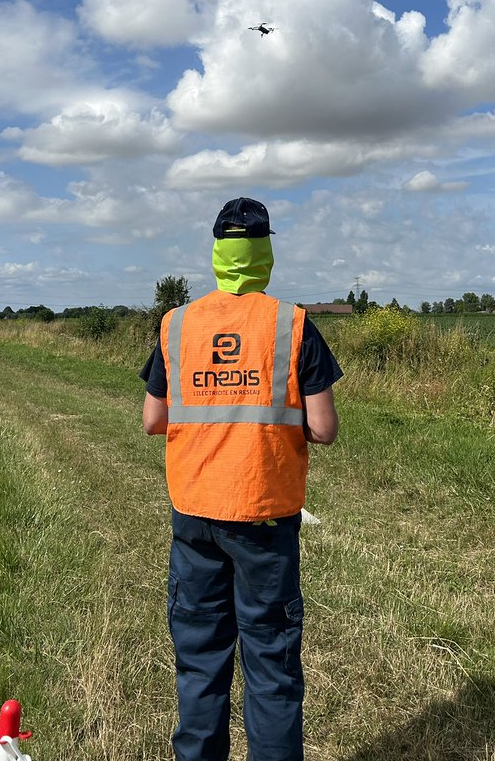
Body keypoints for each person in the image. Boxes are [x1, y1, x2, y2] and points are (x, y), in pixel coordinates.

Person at [140, 197, 342, 761]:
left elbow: (154, 418)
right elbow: (323, 429)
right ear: (265, 254)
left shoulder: (176, 324)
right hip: (265, 517)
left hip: (196, 515)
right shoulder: (292, 323)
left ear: (217, 253)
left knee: (201, 663)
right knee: (271, 666)